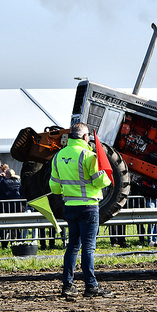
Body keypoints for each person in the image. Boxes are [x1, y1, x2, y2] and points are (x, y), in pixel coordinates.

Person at [50, 122, 113, 298]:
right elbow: (100, 181)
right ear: (85, 137)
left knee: (72, 247)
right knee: (88, 248)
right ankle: (91, 286)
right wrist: (108, 178)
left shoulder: (58, 156)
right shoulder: (88, 156)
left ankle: (67, 286)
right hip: (88, 207)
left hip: (69, 206)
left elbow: (54, 188)